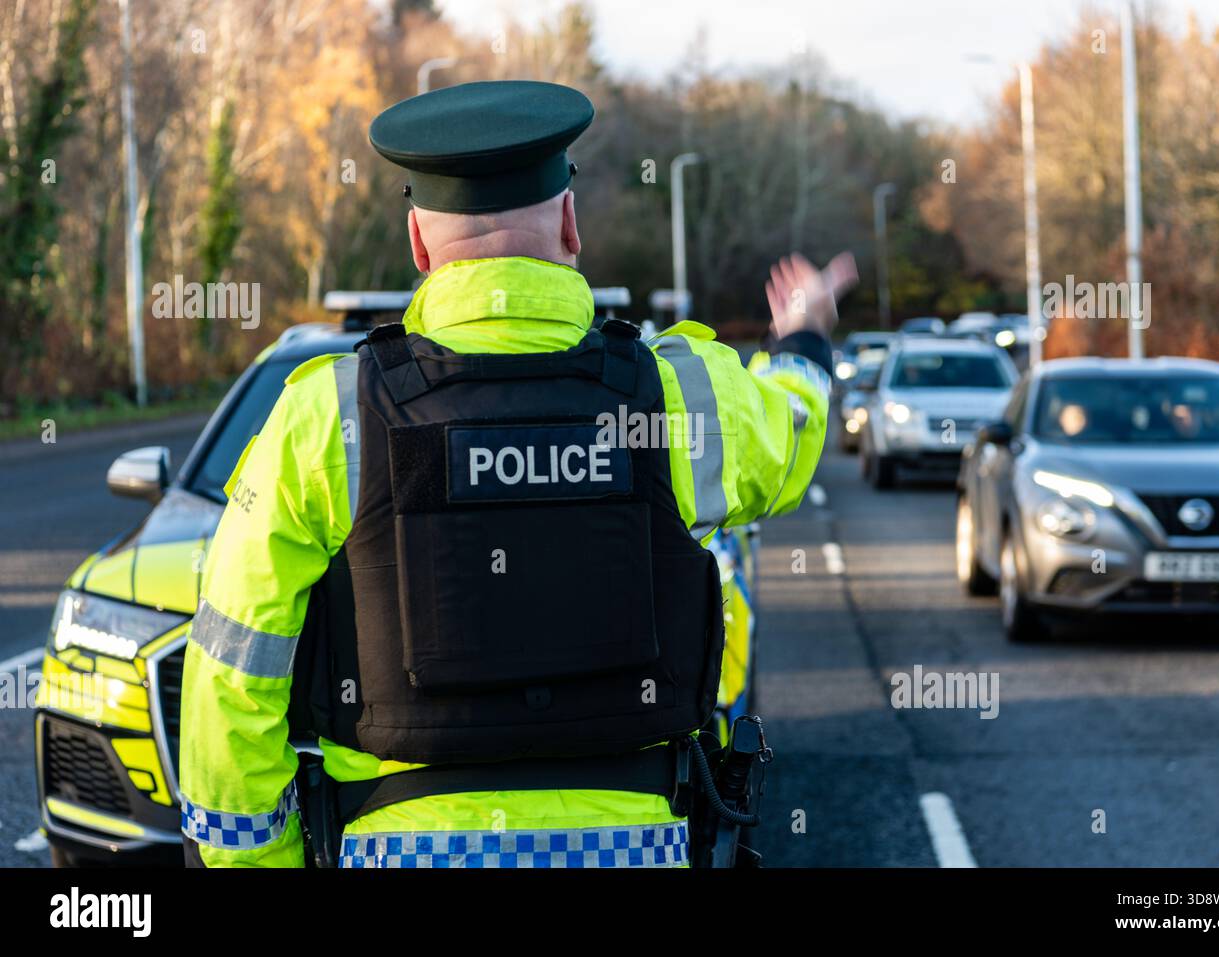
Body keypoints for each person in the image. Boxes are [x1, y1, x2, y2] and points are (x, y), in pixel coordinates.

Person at [178, 79, 856, 868]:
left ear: (419, 245)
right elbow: (794, 435)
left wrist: (264, 860)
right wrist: (805, 338)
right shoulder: (679, 395)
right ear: (570, 224)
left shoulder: (326, 416)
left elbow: (231, 674)